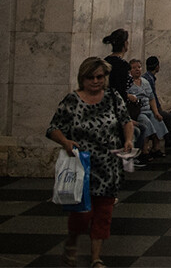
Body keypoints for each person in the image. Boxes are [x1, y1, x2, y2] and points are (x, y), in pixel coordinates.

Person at [47, 56, 134, 268]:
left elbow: (125, 120)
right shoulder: (72, 101)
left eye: (100, 77)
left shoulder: (113, 97)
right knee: (82, 214)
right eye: (90, 77)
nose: (95, 81)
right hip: (81, 165)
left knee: (103, 214)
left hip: (108, 165)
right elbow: (52, 129)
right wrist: (65, 141)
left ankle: (96, 257)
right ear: (82, 78)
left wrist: (129, 139)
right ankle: (73, 240)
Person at [126, 58, 167, 163]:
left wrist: (156, 112)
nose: (137, 70)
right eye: (134, 68)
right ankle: (144, 151)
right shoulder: (128, 83)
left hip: (148, 110)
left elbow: (151, 98)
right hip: (138, 112)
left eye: (139, 67)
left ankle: (156, 147)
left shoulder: (145, 82)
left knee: (157, 120)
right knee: (146, 122)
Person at [102, 29, 131, 101]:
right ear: (125, 43)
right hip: (117, 104)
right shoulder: (123, 65)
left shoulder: (105, 61)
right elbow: (121, 90)